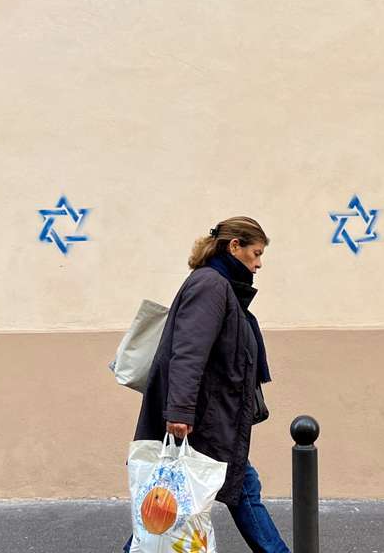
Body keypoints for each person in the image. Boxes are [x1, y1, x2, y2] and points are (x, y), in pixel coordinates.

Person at [124, 216, 289, 553]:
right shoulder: (211, 286)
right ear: (234, 246)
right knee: (229, 490)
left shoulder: (220, 286)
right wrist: (180, 412)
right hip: (202, 419)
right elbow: (188, 352)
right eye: (255, 254)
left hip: (210, 416)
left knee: (180, 500)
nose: (258, 264)